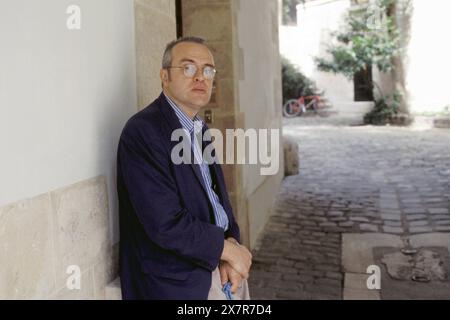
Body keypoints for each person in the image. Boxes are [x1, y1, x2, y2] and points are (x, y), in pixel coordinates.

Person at [116, 36, 252, 300]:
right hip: (181, 282)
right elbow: (165, 224)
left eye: (208, 70)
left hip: (223, 267)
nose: (200, 77)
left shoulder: (198, 128)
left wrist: (231, 244)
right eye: (188, 68)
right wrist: (227, 251)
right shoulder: (143, 131)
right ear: (164, 76)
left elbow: (218, 201)